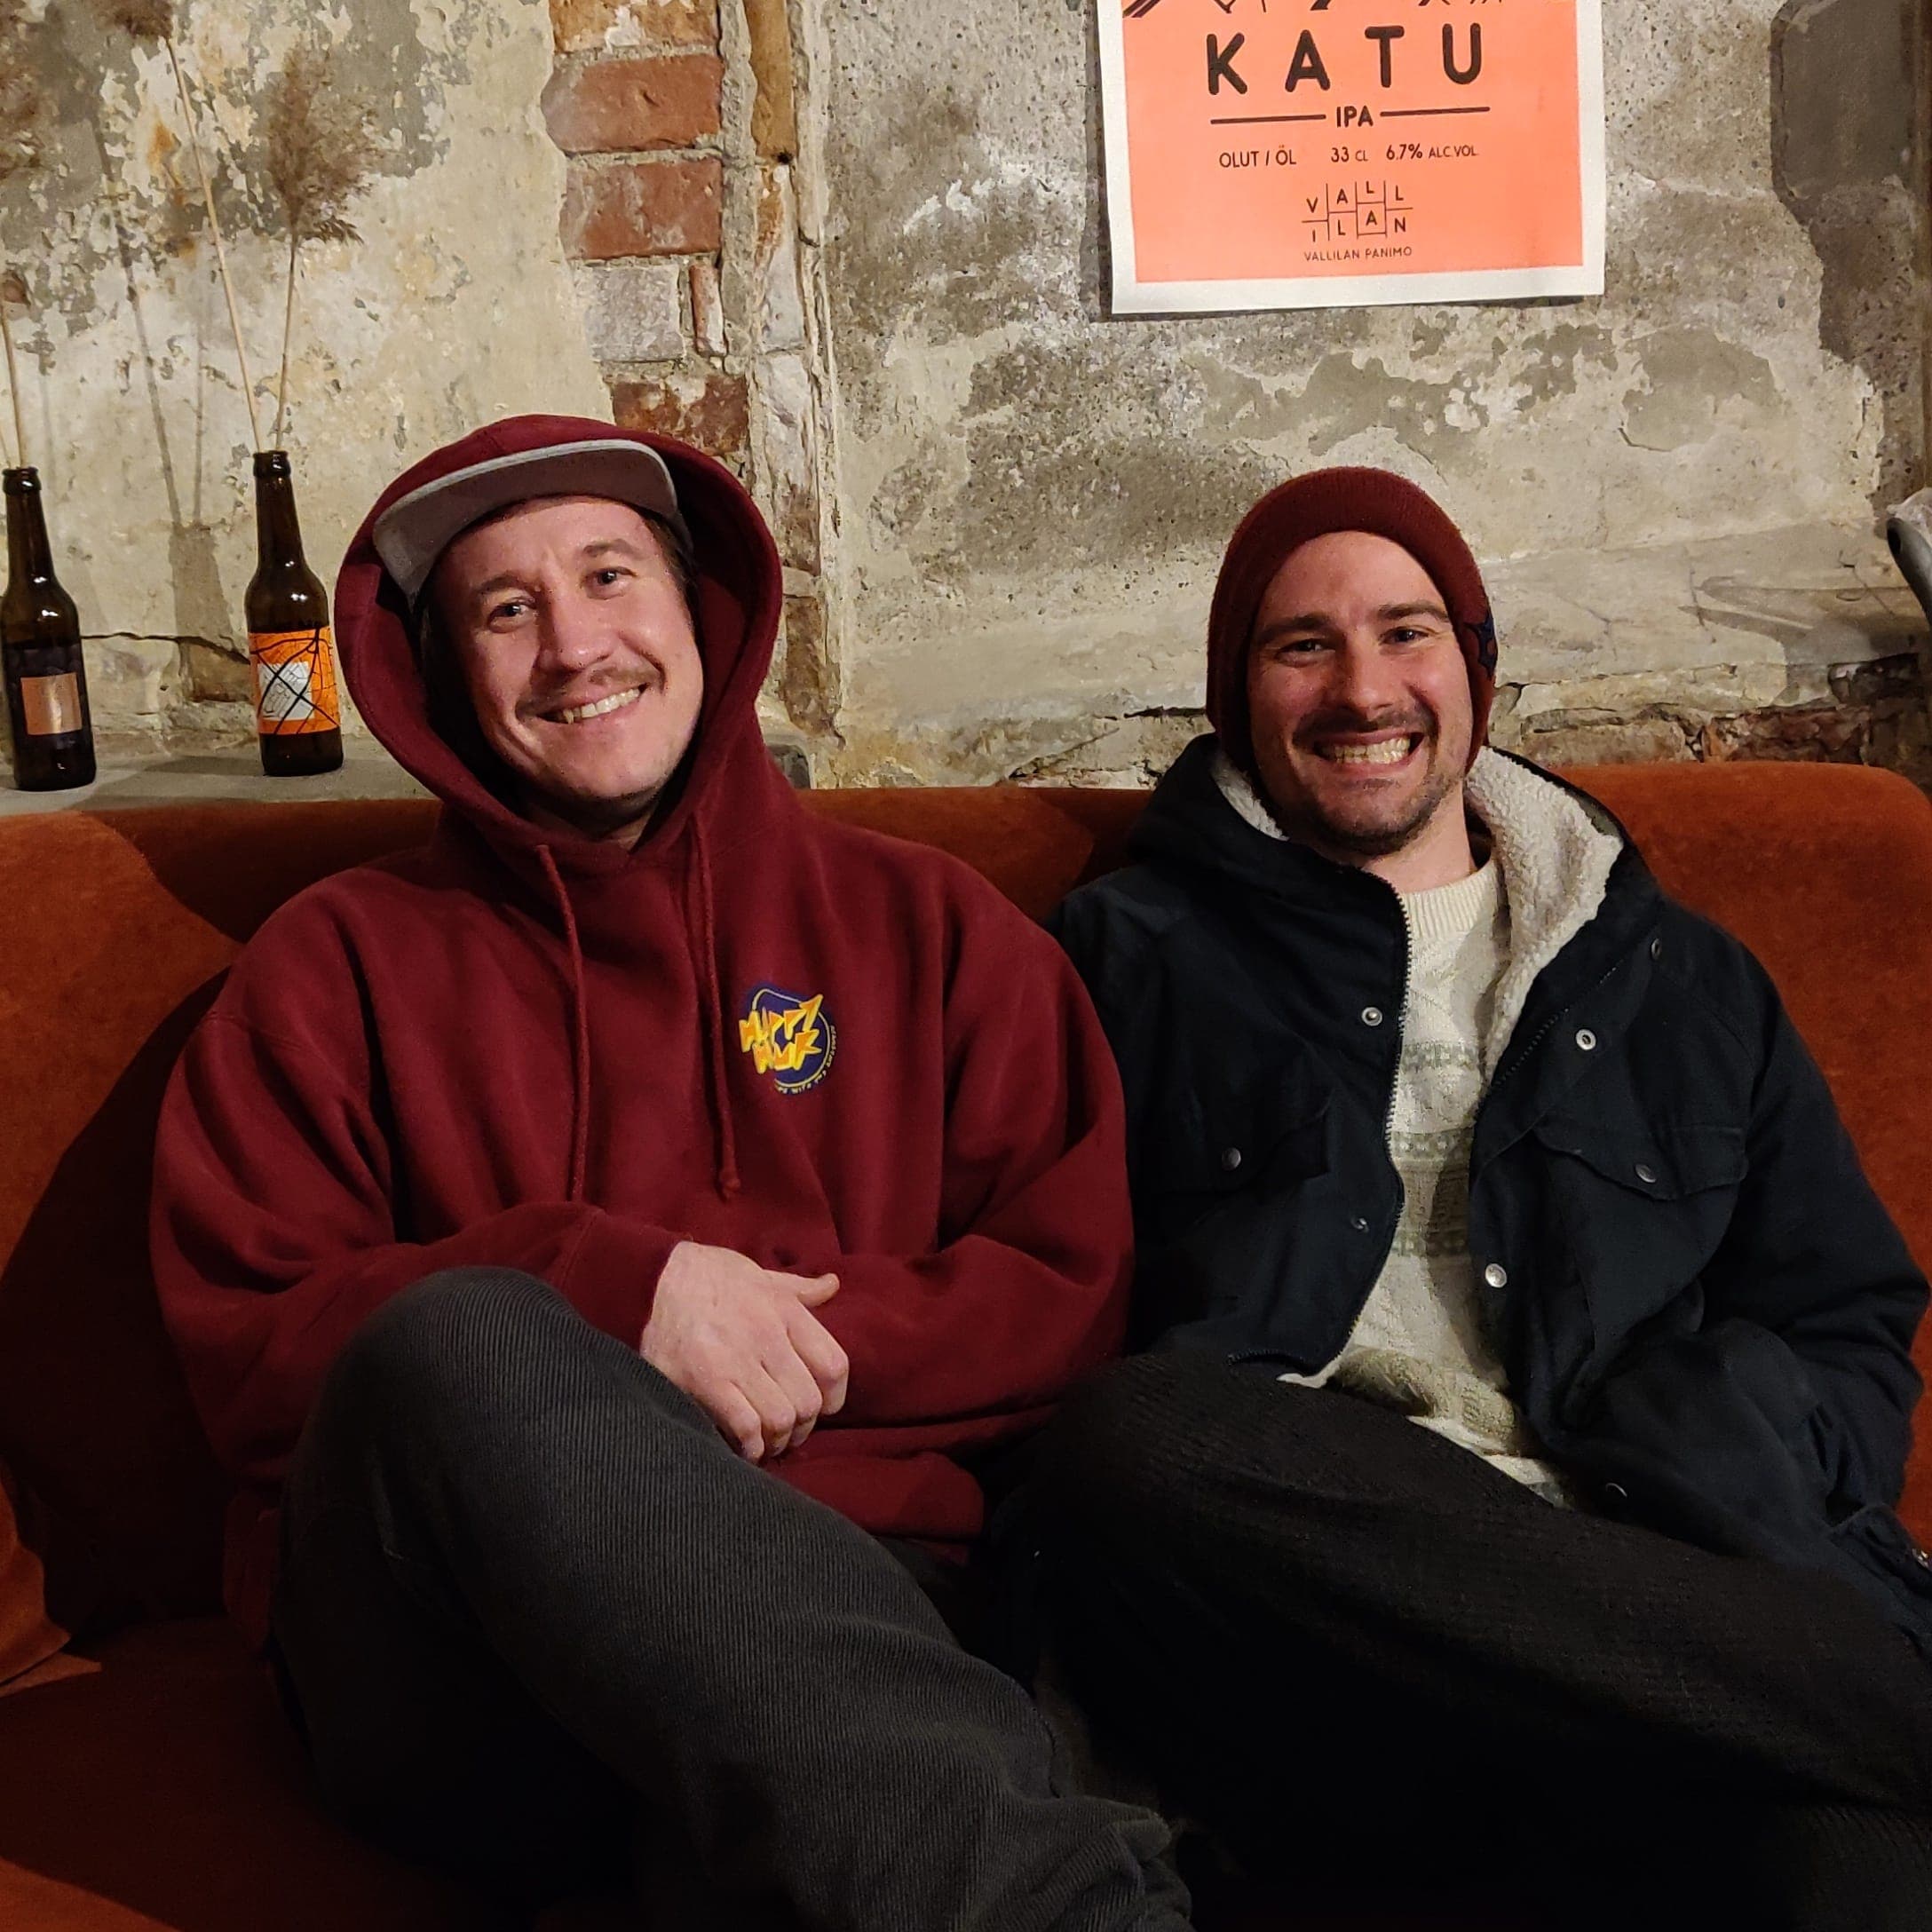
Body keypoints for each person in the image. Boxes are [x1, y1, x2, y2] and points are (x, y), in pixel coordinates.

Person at [150, 415, 1189, 1932]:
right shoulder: (327, 968)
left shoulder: (934, 925)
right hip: (464, 1672)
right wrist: (617, 1300)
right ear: (442, 678)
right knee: (464, 1334)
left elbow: (1064, 1292)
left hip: (866, 1599)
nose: (575, 647)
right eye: (507, 609)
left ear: (699, 613)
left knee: (768, 1823)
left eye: (608, 575)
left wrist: (766, 1347)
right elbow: (254, 1353)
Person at [1033, 466, 1932, 1929]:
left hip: (1655, 1566)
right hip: (1318, 1629)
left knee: (1871, 1874)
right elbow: (1045, 1307)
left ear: (1476, 668)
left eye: (1407, 633)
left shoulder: (1681, 979)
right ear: (1237, 698)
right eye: (1302, 645)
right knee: (1139, 1439)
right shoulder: (1121, 957)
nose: (1362, 689)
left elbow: (1848, 1319)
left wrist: (1737, 1431)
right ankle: (1883, 1700)